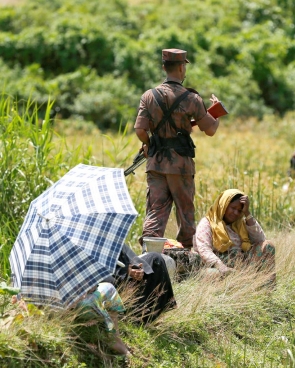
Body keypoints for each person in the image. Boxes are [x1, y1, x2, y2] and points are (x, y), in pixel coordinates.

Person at [134, 48, 220, 250]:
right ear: (182, 67)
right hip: (181, 165)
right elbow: (210, 130)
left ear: (164, 67)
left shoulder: (148, 96)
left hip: (155, 163)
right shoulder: (192, 99)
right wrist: (216, 113)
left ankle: (150, 257)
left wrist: (149, 144)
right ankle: (186, 259)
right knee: (185, 213)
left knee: (155, 211)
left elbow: (140, 130)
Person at [193, 189, 275, 279]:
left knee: (268, 245)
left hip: (242, 265)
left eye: (240, 210)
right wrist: (222, 267)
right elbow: (204, 249)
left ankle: (267, 288)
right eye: (233, 208)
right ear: (223, 205)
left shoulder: (241, 223)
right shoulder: (208, 223)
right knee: (214, 275)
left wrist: (247, 213)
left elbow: (261, 240)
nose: (236, 213)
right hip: (217, 266)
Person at [108, 244, 176, 324]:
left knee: (156, 258)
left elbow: (130, 257)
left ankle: (153, 314)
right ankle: (135, 317)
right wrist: (126, 271)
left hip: (127, 270)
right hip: (111, 278)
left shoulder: (112, 239)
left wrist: (137, 268)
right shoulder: (92, 245)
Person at [75, 282, 130, 355]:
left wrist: (89, 288)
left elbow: (93, 284)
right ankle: (112, 337)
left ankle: (115, 336)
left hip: (88, 294)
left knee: (108, 287)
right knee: (89, 301)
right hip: (77, 304)